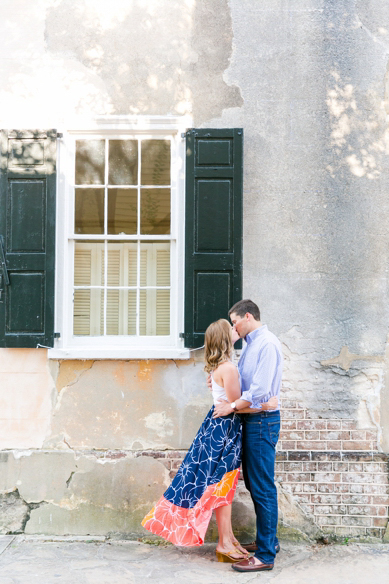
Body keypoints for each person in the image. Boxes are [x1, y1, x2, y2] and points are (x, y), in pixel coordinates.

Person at [141, 318, 277, 562]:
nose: (236, 329)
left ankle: (229, 540)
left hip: (218, 429)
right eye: (231, 327)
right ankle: (225, 543)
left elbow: (230, 400)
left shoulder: (222, 366)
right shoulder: (229, 368)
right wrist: (266, 405)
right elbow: (237, 406)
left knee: (221, 485)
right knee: (222, 485)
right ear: (226, 338)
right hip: (225, 431)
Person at [212, 299, 283, 573]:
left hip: (262, 421)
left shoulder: (266, 344)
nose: (234, 327)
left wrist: (231, 406)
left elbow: (260, 391)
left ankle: (265, 555)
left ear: (248, 316)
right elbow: (246, 384)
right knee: (256, 486)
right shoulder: (252, 345)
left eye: (235, 322)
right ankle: (269, 541)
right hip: (255, 419)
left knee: (263, 487)